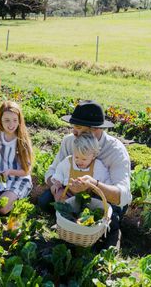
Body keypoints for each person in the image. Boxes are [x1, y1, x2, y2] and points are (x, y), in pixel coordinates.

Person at [38, 100, 132, 249]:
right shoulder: (70, 141)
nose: (73, 131)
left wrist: (93, 185)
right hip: (72, 193)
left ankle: (112, 234)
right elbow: (51, 172)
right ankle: (72, 228)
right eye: (73, 126)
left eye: (78, 127)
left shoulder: (116, 151)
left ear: (94, 129)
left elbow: (123, 196)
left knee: (110, 217)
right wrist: (57, 189)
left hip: (103, 198)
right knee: (45, 201)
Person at [0, 101, 34, 214]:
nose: (11, 124)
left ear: (19, 121)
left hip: (19, 180)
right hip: (1, 180)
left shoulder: (22, 142)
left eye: (15, 120)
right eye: (7, 120)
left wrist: (10, 171)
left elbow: (26, 171)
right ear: (0, 120)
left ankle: (18, 200)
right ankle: (4, 195)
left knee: (1, 208)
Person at [50, 132, 110, 202]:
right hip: (69, 194)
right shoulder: (68, 161)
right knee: (59, 197)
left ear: (93, 156)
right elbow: (59, 171)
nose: (79, 161)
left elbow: (105, 180)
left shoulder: (97, 166)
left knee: (95, 202)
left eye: (84, 159)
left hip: (89, 197)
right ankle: (66, 210)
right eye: (76, 157)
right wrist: (58, 182)